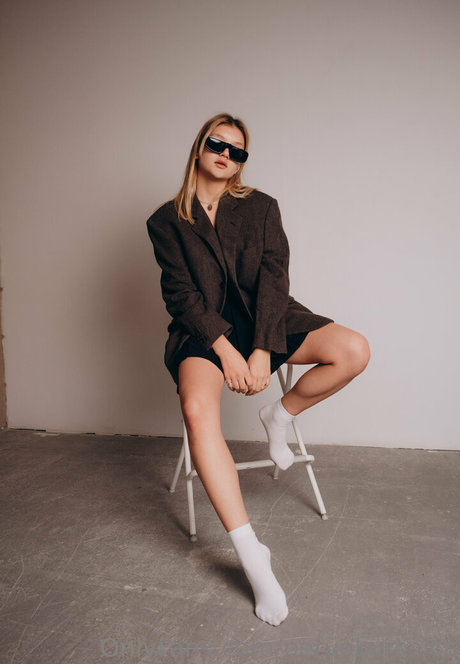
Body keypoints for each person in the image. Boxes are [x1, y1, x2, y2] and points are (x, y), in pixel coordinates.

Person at [146, 112, 370, 626]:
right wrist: (225, 350)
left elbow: (274, 279)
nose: (226, 155)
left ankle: (280, 415)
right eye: (217, 144)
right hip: (204, 331)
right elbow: (181, 295)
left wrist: (264, 348)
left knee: (354, 349)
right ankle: (251, 554)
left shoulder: (261, 207)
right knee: (197, 410)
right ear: (199, 147)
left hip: (266, 319)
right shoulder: (165, 221)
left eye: (238, 150)